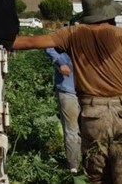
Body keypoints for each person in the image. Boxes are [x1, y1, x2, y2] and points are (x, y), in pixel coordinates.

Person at [13, 0, 122, 184]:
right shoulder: (119, 35)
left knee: (96, 176)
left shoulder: (71, 34)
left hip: (93, 114)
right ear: (111, 15)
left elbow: (29, 42)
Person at [46, 47, 82, 175]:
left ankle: (90, 163)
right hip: (68, 90)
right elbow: (50, 47)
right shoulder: (67, 34)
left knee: (90, 128)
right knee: (72, 129)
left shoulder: (100, 37)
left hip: (91, 91)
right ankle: (74, 167)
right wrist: (61, 62)